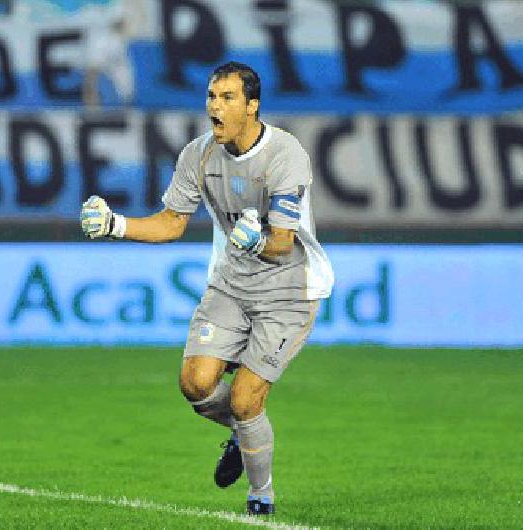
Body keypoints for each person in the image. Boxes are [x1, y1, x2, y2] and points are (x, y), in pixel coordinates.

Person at [80, 61, 333, 516]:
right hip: (231, 286)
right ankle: (243, 431)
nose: (214, 106)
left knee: (246, 397)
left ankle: (261, 497)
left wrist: (257, 242)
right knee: (195, 385)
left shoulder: (285, 154)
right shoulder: (198, 154)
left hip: (288, 291)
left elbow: (282, 242)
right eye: (211, 97)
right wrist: (115, 225)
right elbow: (171, 223)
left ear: (252, 106)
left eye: (227, 98)